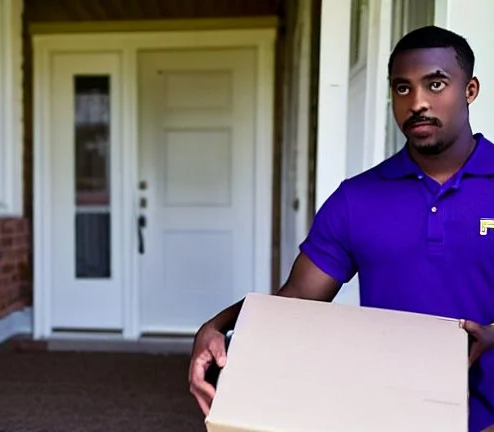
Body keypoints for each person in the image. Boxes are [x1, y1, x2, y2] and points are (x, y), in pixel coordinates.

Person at [188, 25, 494, 432]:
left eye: (435, 84)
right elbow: (295, 302)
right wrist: (216, 326)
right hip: (386, 415)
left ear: (470, 89)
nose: (417, 102)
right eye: (402, 89)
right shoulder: (356, 199)